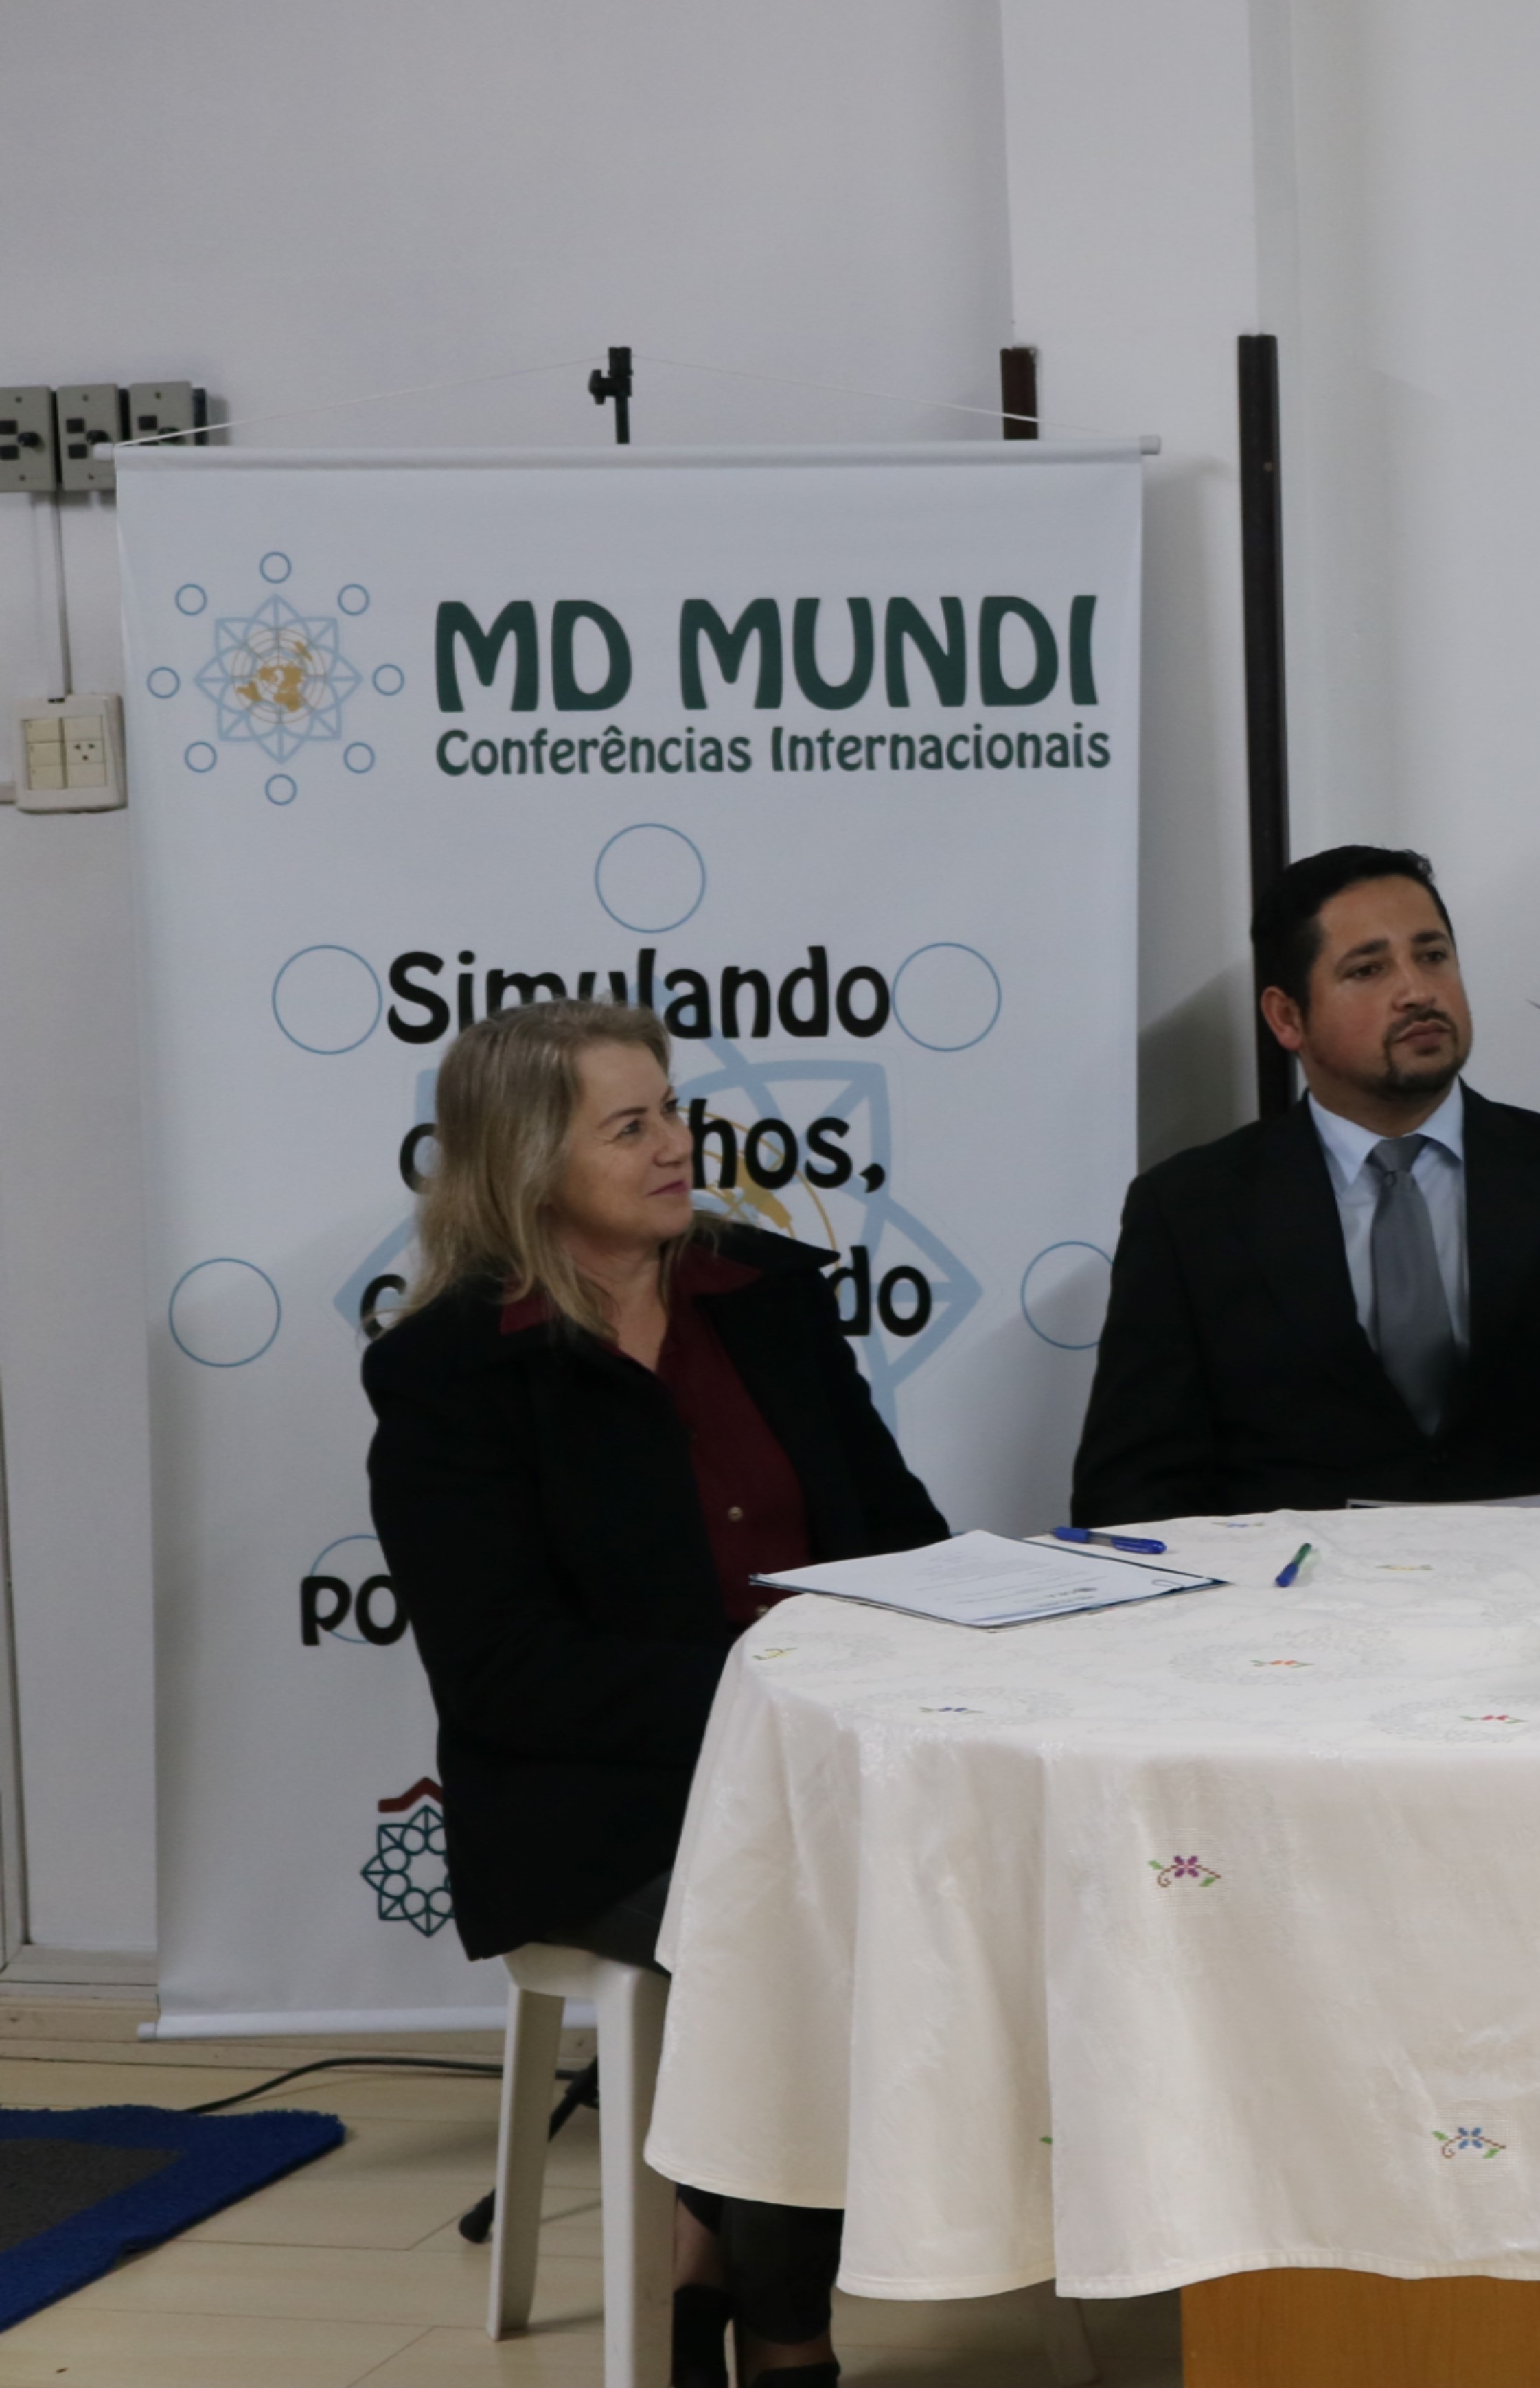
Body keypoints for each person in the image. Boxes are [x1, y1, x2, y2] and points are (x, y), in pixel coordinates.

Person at [365, 996, 949, 2388]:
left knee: (949, 1868)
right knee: (800, 1914)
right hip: (598, 1806)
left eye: (673, 1110)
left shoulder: (764, 1293)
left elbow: (900, 1536)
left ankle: (704, 2255)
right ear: (527, 1160)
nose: (678, 1145)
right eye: (631, 1127)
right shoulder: (450, 1371)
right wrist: (772, 1696)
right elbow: (507, 1675)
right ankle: (789, 2333)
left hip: (823, 1767)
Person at [1072, 844, 1540, 1519]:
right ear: (1287, 1017)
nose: (1418, 991)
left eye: (1433, 955)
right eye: (1368, 969)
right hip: (1292, 1581)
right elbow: (1132, 1491)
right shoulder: (1191, 1209)